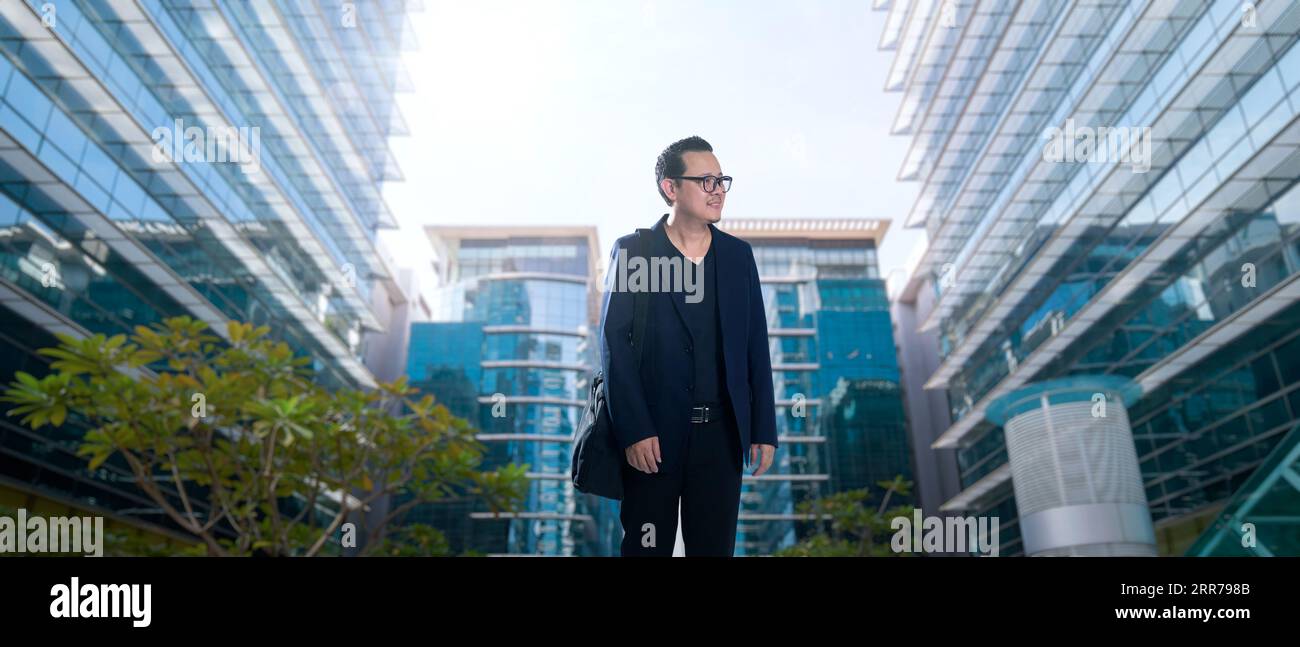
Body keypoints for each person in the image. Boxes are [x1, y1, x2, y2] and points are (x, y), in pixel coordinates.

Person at [599, 135, 778, 556]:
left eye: (722, 181)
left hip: (722, 437)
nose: (718, 190)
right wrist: (635, 429)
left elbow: (756, 344)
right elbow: (613, 344)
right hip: (652, 440)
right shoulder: (635, 252)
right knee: (647, 549)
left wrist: (763, 428)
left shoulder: (737, 257)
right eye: (706, 181)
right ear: (671, 188)